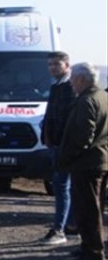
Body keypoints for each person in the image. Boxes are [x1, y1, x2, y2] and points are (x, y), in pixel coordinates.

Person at [57, 63, 107, 260]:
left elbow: (83, 135)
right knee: (94, 207)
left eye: (72, 79)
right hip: (100, 160)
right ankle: (88, 246)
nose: (70, 83)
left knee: (88, 209)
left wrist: (67, 157)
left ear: (81, 79)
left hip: (87, 163)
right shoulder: (103, 97)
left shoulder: (86, 100)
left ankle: (93, 251)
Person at [39, 51, 76, 245]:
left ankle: (60, 229)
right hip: (55, 143)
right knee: (64, 187)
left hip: (64, 146)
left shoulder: (70, 87)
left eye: (56, 64)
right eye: (50, 64)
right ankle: (70, 225)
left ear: (67, 65)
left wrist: (58, 141)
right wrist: (45, 133)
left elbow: (66, 120)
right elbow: (51, 115)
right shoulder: (56, 86)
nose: (52, 68)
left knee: (62, 187)